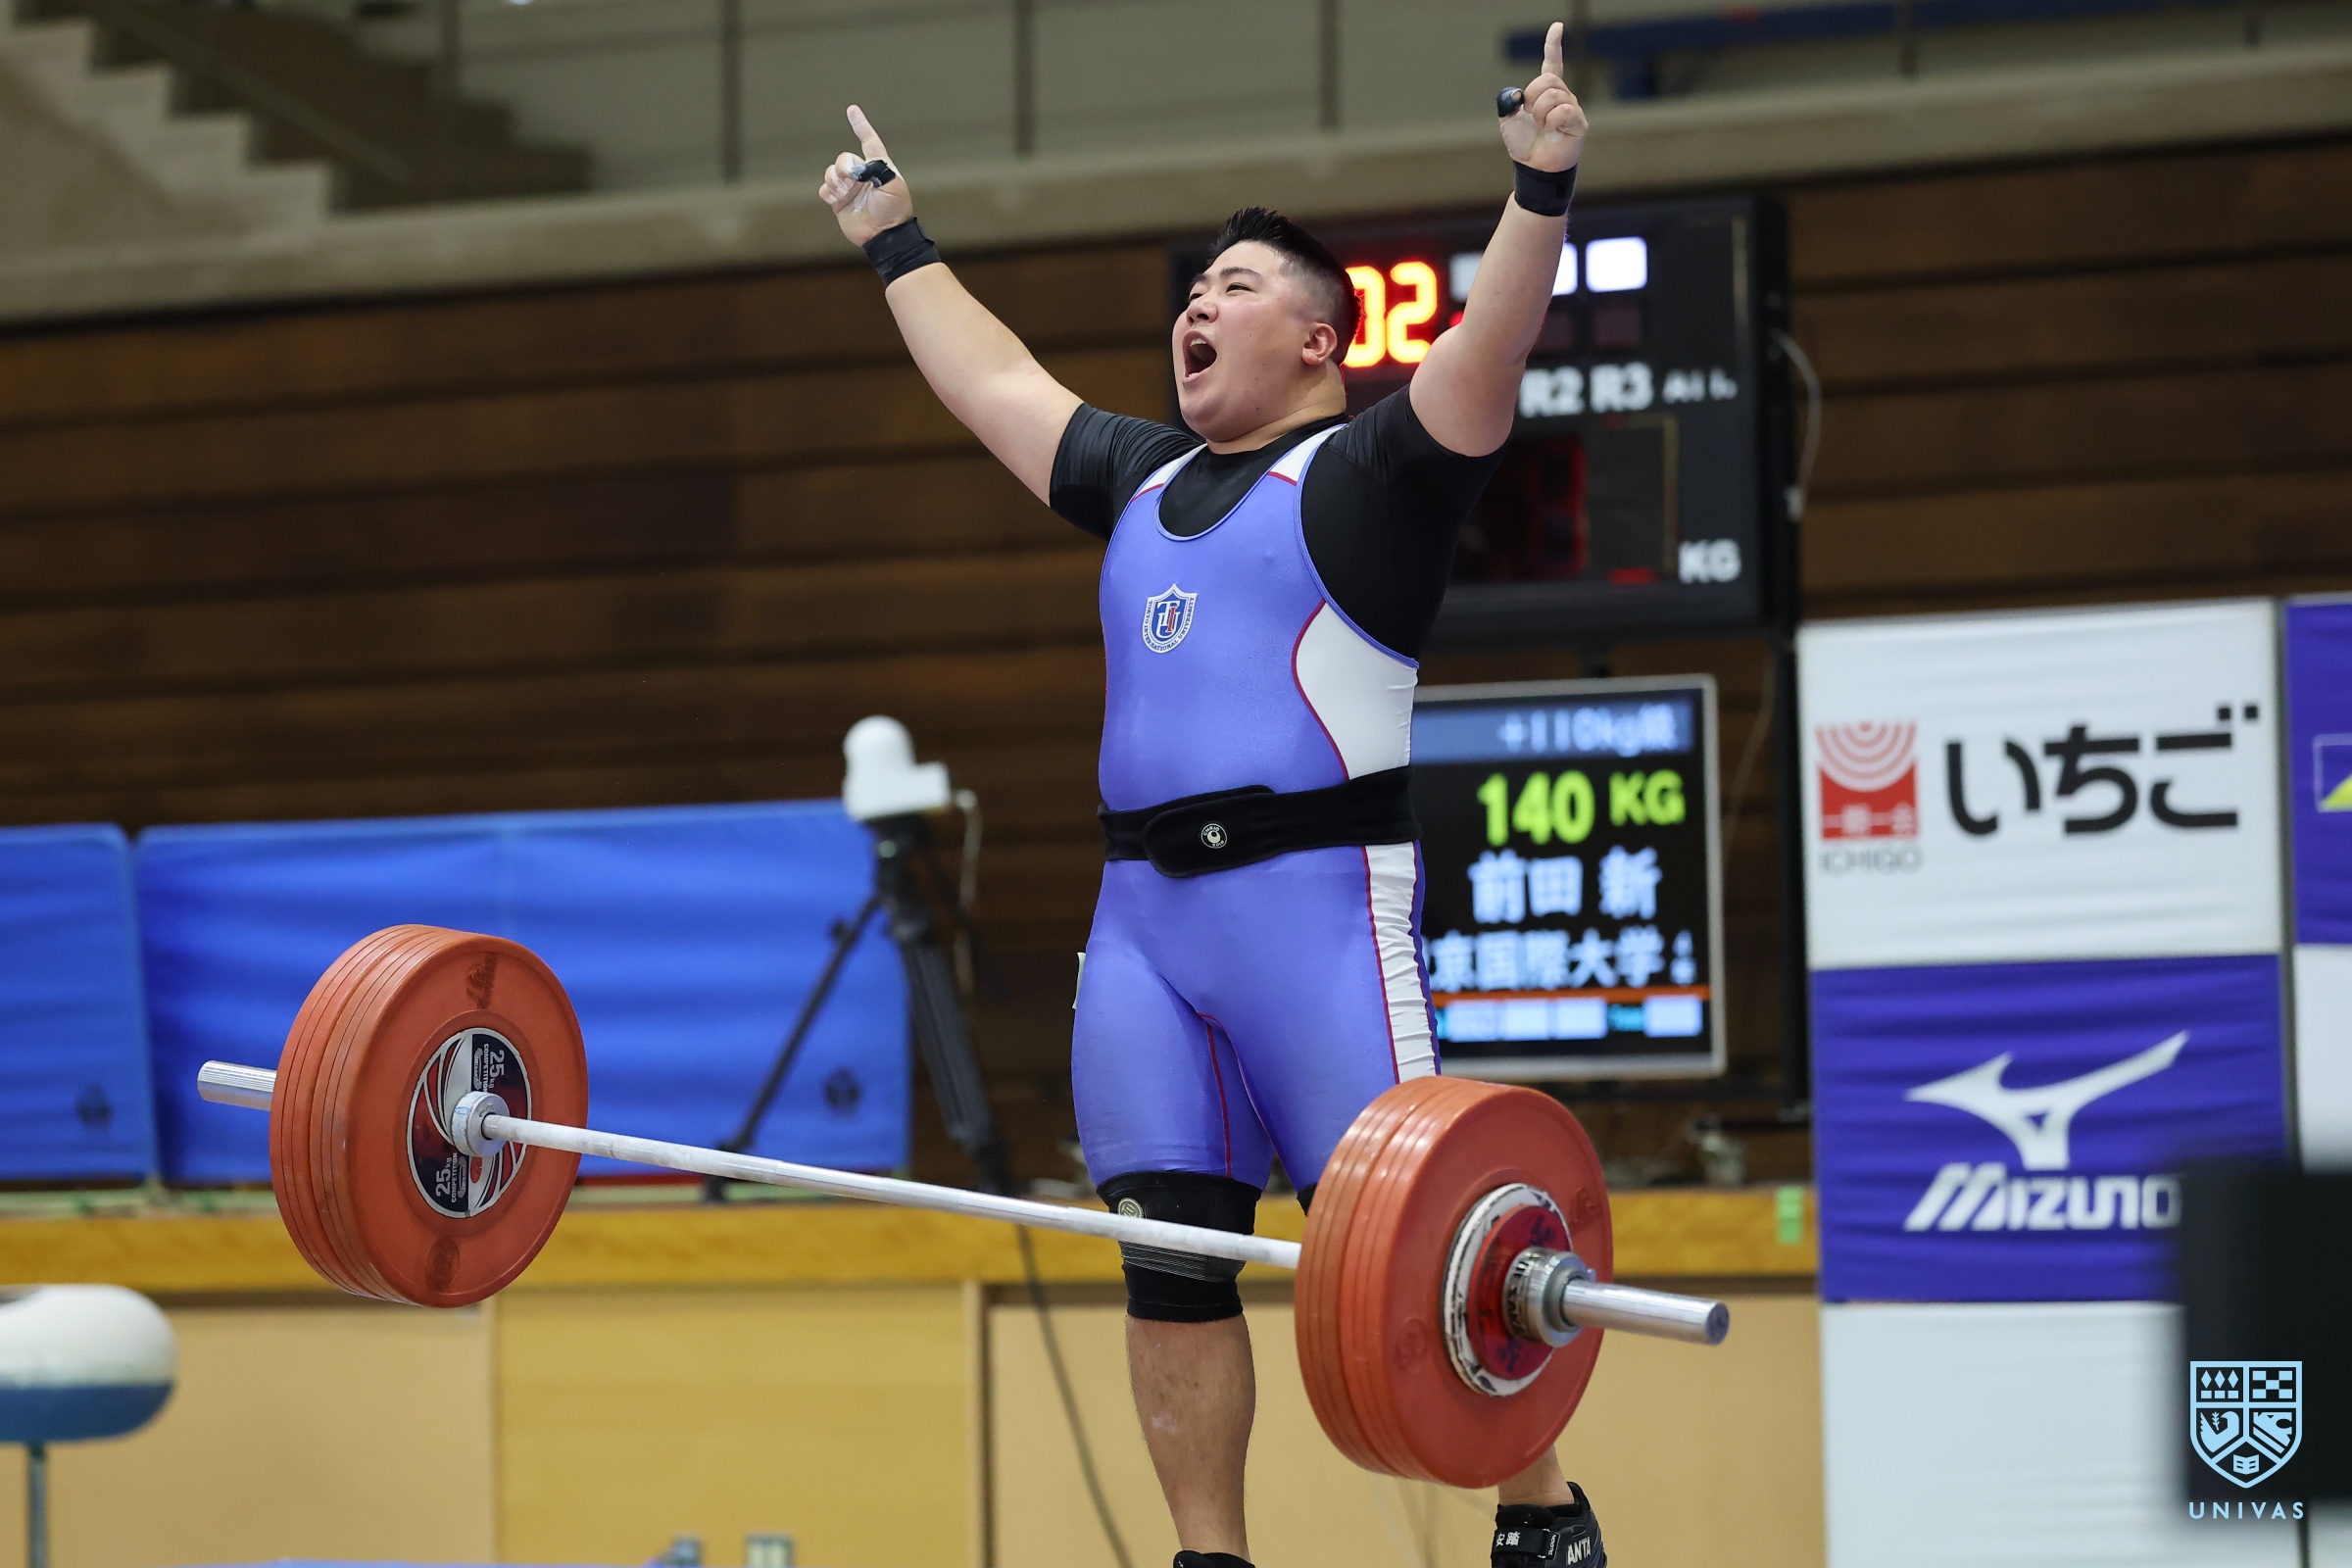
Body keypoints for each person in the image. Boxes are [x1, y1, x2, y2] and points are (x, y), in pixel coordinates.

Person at [819, 25, 1602, 1568]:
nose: (1197, 306)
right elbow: (994, 382)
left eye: (1234, 289)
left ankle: (1540, 1514)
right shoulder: (1139, 481)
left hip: (1318, 922)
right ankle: (1209, 1555)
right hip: (1146, 931)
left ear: (1319, 342)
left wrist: (1541, 189)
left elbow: (1489, 350)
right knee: (1168, 1268)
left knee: (1420, 1259)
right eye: (1193, 291)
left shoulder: (1373, 476)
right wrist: (895, 240)